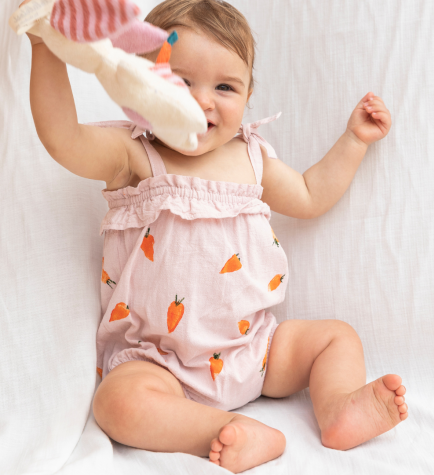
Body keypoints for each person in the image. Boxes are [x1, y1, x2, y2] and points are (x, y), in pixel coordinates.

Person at [24, 0, 408, 472]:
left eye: (225, 86)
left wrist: (353, 141)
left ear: (248, 96)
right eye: (180, 81)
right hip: (159, 363)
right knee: (115, 404)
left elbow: (309, 194)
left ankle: (338, 408)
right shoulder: (134, 156)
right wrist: (46, 46)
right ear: (138, 84)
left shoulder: (252, 158)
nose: (203, 101)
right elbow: (62, 138)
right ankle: (222, 432)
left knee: (337, 338)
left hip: (257, 351)